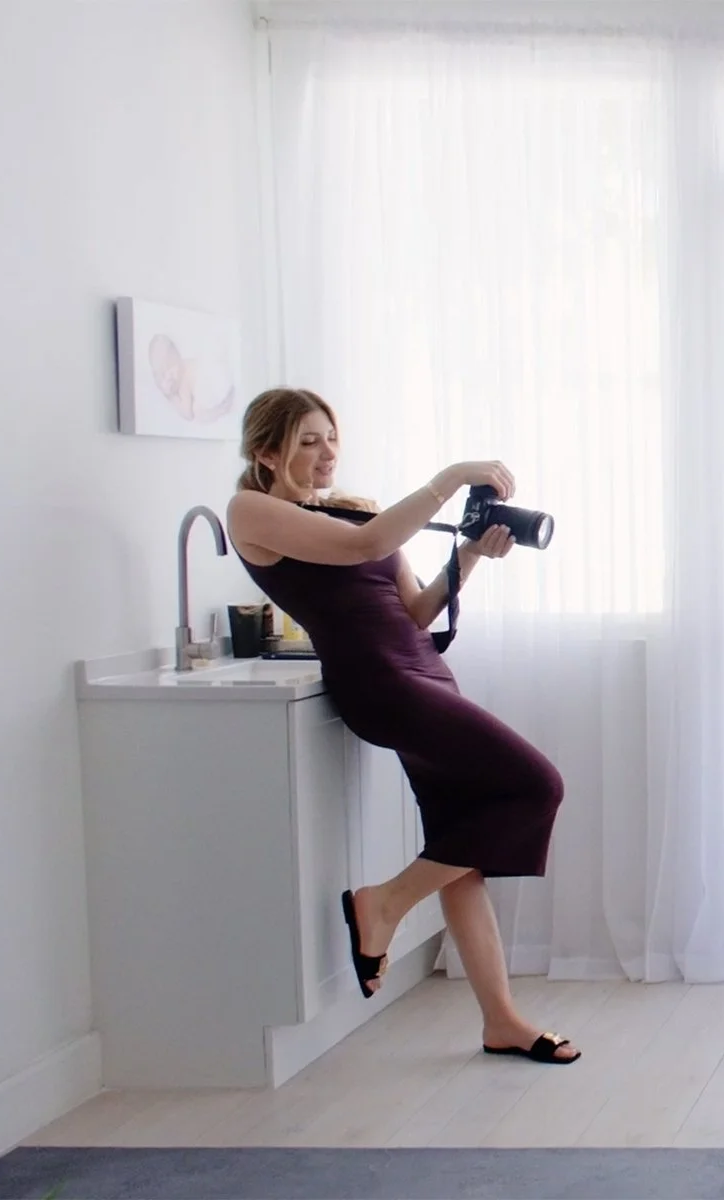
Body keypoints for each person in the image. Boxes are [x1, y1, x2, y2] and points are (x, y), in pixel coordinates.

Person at [224, 387, 578, 1066]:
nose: (327, 452)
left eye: (331, 436)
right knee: (538, 785)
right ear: (266, 453)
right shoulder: (253, 512)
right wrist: (451, 477)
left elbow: (415, 610)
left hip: (423, 671)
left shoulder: (352, 506)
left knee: (459, 846)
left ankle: (500, 1021)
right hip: (382, 683)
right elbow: (367, 545)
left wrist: (470, 553)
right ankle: (383, 905)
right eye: (307, 441)